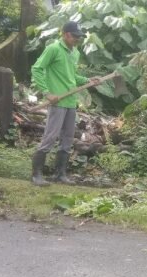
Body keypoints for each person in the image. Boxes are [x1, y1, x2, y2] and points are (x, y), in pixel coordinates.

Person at [30, 21, 100, 186]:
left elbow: (72, 77)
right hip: (57, 101)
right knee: (51, 136)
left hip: (70, 102)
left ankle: (59, 174)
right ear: (65, 34)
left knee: (67, 139)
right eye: (75, 36)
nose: (77, 39)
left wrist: (88, 80)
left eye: (79, 37)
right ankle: (36, 175)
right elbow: (37, 69)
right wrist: (47, 93)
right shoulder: (53, 49)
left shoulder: (74, 52)